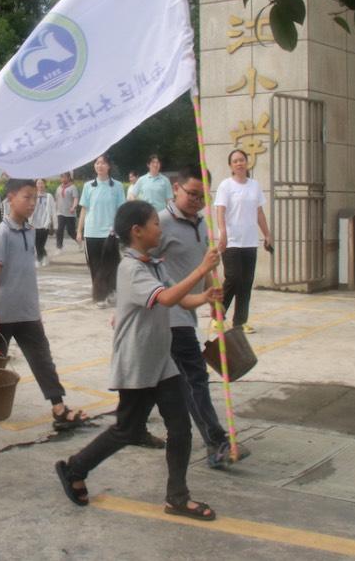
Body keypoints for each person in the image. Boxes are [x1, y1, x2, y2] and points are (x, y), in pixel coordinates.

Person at [55, 201, 221, 520]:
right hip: (136, 365)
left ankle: (177, 497)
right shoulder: (131, 269)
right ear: (137, 231)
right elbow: (166, 298)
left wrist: (205, 296)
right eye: (155, 223)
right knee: (126, 430)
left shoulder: (154, 264)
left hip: (161, 362)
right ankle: (74, 468)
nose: (160, 228)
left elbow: (181, 299)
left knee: (181, 428)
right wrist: (202, 269)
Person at [158, 165, 252, 468]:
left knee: (164, 384)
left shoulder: (201, 223)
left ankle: (130, 428)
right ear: (176, 188)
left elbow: (206, 266)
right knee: (195, 378)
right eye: (191, 194)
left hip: (189, 314)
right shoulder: (158, 225)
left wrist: (213, 297)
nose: (197, 201)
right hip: (167, 316)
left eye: (202, 196)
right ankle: (216, 442)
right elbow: (138, 263)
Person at [0, 178, 89, 431]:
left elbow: (26, 275)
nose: (31, 203)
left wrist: (36, 310)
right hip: (2, 314)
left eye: (34, 198)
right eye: (26, 197)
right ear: (10, 198)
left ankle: (59, 407)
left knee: (42, 360)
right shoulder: (2, 233)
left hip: (28, 312)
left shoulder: (30, 231)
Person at [214, 149, 273, 333]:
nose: (239, 163)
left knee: (246, 282)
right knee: (234, 277)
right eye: (235, 161)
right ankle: (218, 316)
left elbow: (259, 212)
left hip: (249, 241)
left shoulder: (254, 186)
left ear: (247, 163)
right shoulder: (226, 186)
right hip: (231, 240)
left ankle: (240, 321)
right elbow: (220, 211)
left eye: (242, 160)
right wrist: (222, 233)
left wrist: (267, 234)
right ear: (231, 165)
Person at [77, 154, 126, 308]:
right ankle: (100, 296)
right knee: (95, 265)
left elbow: (121, 210)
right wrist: (79, 230)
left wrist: (120, 230)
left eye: (103, 163)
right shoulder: (88, 186)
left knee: (111, 265)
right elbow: (84, 210)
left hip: (110, 232)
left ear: (108, 166)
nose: (100, 166)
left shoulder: (117, 186)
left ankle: (111, 292)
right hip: (91, 232)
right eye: (97, 163)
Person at [31, 178, 57, 267]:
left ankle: (41, 258)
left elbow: (53, 210)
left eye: (42, 183)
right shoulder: (33, 196)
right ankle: (41, 258)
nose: (40, 185)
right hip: (34, 223)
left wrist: (55, 224)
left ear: (45, 185)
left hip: (45, 223)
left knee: (41, 243)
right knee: (36, 243)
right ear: (36, 185)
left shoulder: (49, 196)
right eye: (38, 183)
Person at [54, 172, 79, 252]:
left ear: (68, 178)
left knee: (71, 231)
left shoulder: (73, 187)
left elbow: (75, 198)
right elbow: (56, 199)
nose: (63, 179)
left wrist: (74, 206)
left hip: (70, 213)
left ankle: (79, 242)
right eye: (62, 177)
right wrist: (55, 208)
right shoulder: (59, 188)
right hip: (60, 212)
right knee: (59, 230)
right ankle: (59, 247)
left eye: (65, 177)